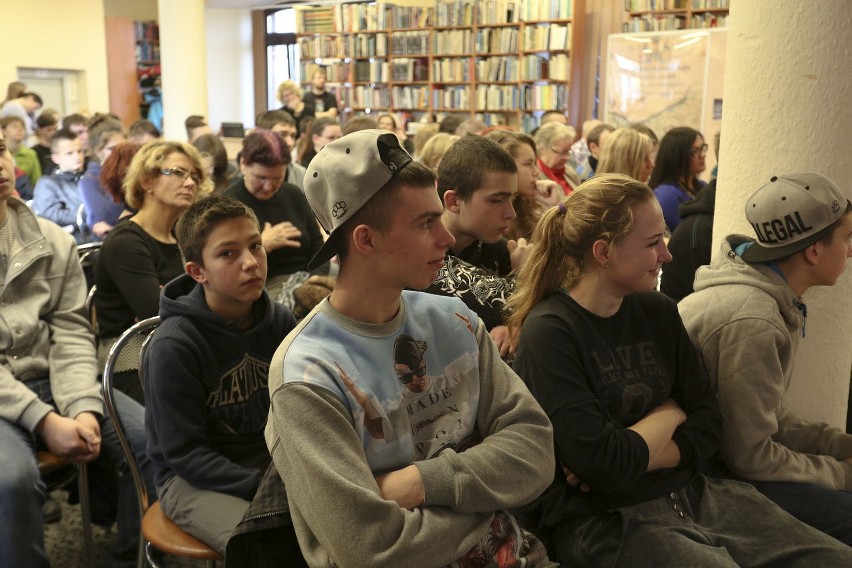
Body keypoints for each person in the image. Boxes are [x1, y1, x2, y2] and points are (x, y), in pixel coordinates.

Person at [508, 173, 852, 566]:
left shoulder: (657, 310)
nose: (667, 256)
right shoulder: (550, 332)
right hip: (607, 519)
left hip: (697, 493)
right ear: (603, 252)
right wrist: (671, 410)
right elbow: (604, 467)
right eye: (653, 243)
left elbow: (708, 427)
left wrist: (632, 451)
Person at [261, 129, 556, 566]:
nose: (447, 238)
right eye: (425, 224)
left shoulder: (455, 322)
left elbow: (535, 450)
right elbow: (369, 546)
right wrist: (485, 509)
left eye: (440, 217)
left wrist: (422, 481)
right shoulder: (308, 373)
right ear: (365, 240)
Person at [0, 129, 154, 568]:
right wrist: (44, 421)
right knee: (11, 481)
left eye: (1, 151)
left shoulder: (52, 240)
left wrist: (82, 406)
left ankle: (130, 556)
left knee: (150, 441)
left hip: (52, 379)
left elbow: (70, 332)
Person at [678, 172, 852, 545]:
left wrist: (841, 447)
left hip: (726, 463)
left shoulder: (766, 296)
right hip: (704, 480)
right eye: (847, 237)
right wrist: (841, 474)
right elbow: (751, 457)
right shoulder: (754, 319)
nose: (850, 250)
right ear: (814, 250)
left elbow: (766, 416)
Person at [144, 195, 296, 554]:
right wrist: (264, 486)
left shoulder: (281, 321)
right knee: (267, 548)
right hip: (192, 480)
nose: (250, 263)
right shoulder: (174, 346)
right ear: (198, 272)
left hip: (270, 463)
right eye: (228, 254)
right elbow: (185, 454)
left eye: (255, 245)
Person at [95, 140, 210, 404]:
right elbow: (157, 312)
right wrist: (194, 299)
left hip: (178, 351)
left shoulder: (180, 237)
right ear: (147, 181)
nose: (190, 182)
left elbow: (200, 301)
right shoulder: (126, 241)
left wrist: (181, 299)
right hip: (130, 364)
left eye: (194, 176)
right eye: (178, 172)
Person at [434, 135, 529, 356]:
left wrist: (513, 326)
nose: (511, 213)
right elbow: (506, 300)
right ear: (454, 201)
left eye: (512, 199)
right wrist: (524, 272)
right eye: (497, 200)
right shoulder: (427, 252)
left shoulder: (493, 245)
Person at [224, 130, 328, 298]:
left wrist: (316, 279)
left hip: (307, 278)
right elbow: (226, 265)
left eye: (277, 179)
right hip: (260, 285)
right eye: (261, 178)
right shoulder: (228, 206)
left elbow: (318, 245)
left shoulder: (293, 194)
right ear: (243, 164)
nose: (268, 187)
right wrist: (262, 245)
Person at [487, 130, 561, 242]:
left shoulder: (526, 207)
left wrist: (554, 206)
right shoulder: (488, 218)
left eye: (535, 163)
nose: (536, 172)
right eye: (528, 163)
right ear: (504, 166)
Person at [31, 128, 86, 242]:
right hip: (72, 241)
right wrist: (88, 216)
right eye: (69, 153)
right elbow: (50, 214)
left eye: (80, 151)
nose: (77, 156)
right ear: (56, 158)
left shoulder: (90, 178)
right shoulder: (47, 184)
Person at [649, 126, 707, 231]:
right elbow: (684, 234)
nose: (703, 155)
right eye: (695, 151)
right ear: (678, 155)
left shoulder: (703, 187)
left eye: (702, 148)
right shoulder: (666, 194)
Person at [79, 116, 126, 240]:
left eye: (123, 147)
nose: (119, 153)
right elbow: (108, 218)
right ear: (98, 151)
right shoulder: (89, 181)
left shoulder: (131, 173)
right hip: (106, 242)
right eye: (112, 149)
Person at [255, 110, 305, 189]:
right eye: (282, 135)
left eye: (293, 136)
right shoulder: (248, 173)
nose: (290, 143)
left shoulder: (301, 174)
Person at [534, 122, 580, 195]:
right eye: (561, 152)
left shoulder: (570, 172)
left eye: (568, 151)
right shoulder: (534, 177)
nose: (566, 157)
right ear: (542, 148)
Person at [0, 116, 41, 187]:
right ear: (3, 130)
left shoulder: (30, 153)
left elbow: (36, 181)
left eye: (22, 127)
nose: (20, 129)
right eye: (14, 126)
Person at [32, 112, 58, 177]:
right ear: (39, 130)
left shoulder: (59, 148)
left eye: (55, 129)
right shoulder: (34, 152)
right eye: (49, 130)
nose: (53, 132)